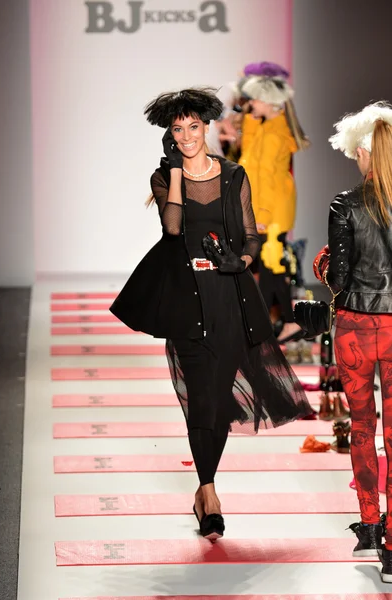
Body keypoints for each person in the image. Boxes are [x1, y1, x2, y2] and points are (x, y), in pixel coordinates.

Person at [110, 88, 312, 541]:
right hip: (186, 299)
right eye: (177, 130)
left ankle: (204, 490)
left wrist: (240, 261)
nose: (186, 136)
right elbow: (174, 228)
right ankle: (210, 490)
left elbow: (250, 234)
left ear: (206, 128)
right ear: (171, 136)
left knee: (218, 403)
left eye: (193, 127)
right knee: (201, 398)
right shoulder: (163, 177)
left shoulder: (235, 174)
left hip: (229, 297)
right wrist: (178, 174)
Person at [315, 101, 392, 582]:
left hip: (357, 327)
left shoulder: (345, 204)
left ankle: (368, 525)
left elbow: (339, 279)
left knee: (362, 425)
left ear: (364, 151)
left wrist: (323, 263)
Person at [238, 73, 310, 344]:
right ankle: (282, 324)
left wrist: (261, 215)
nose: (251, 103)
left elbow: (265, 178)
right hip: (268, 207)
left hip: (271, 210)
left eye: (255, 99)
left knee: (269, 265)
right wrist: (251, 120)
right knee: (271, 265)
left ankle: (264, 329)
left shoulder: (276, 133)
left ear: (268, 101)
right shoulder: (268, 127)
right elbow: (249, 162)